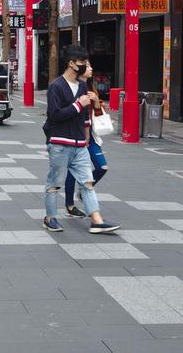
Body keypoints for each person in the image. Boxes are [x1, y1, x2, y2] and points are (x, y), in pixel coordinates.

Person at [41, 44, 119, 234]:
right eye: (82, 62)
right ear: (72, 64)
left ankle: (96, 220)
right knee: (55, 183)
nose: (85, 65)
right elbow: (54, 115)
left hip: (79, 145)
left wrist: (85, 140)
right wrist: (77, 105)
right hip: (60, 143)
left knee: (88, 182)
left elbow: (85, 117)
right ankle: (50, 218)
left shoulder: (83, 85)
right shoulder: (56, 86)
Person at [63, 60, 109, 218]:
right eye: (87, 66)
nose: (91, 68)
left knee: (102, 167)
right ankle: (70, 205)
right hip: (74, 137)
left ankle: (83, 191)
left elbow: (98, 115)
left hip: (90, 139)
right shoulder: (70, 87)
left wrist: (96, 103)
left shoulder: (90, 89)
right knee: (71, 173)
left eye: (90, 65)